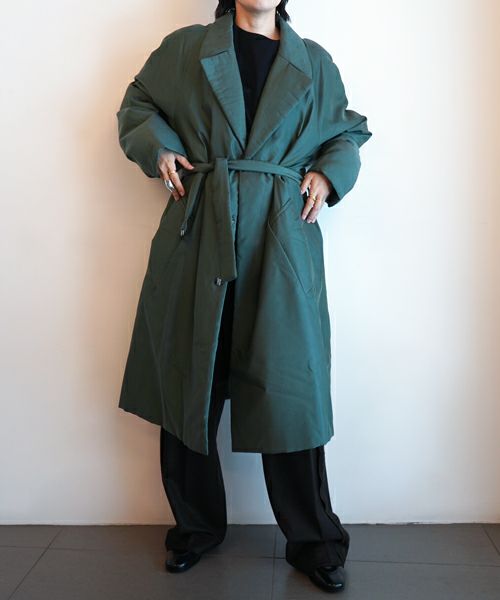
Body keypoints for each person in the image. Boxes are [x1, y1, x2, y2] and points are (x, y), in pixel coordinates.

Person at [116, 0, 372, 593]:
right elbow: (138, 103)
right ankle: (195, 529)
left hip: (280, 237)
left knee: (290, 390)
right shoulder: (187, 48)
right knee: (192, 382)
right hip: (200, 229)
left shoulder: (314, 62)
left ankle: (315, 541)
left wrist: (329, 172)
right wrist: (158, 148)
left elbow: (347, 129)